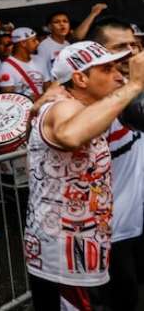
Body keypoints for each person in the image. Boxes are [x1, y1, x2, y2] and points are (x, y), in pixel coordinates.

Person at [24, 41, 144, 311]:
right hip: (63, 258)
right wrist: (134, 85)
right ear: (80, 79)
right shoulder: (62, 107)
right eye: (107, 69)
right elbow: (69, 134)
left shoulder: (88, 108)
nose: (119, 76)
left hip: (84, 249)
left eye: (118, 68)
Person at [86, 17, 144, 311]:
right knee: (121, 301)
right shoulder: (88, 104)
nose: (131, 53)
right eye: (120, 47)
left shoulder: (136, 88)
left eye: (134, 46)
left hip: (137, 222)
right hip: (110, 233)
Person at [0, 27, 51, 99]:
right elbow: (8, 99)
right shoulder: (6, 67)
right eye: (34, 40)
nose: (38, 42)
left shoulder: (40, 60)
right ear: (23, 43)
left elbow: (48, 88)